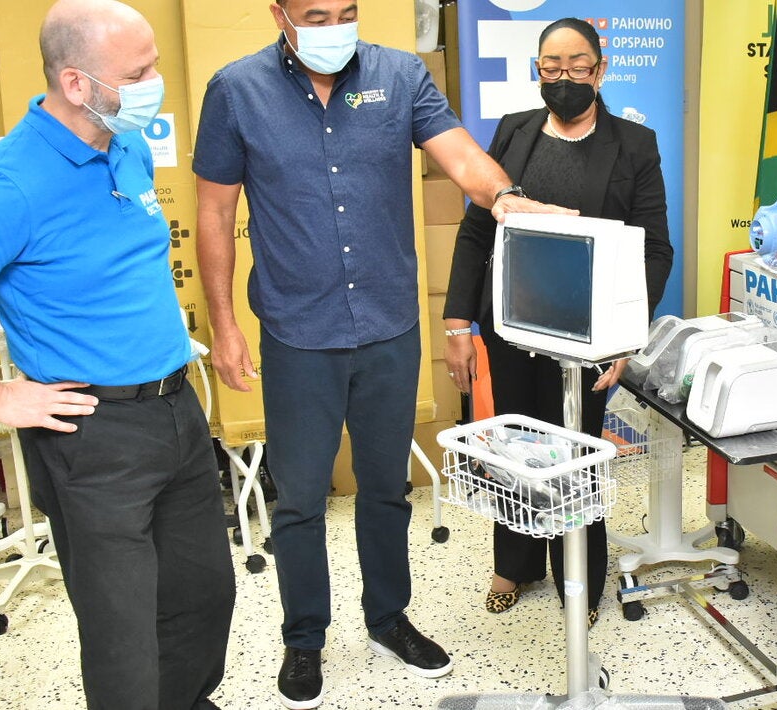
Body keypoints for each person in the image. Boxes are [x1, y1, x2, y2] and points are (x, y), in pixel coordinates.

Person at [191, 1, 570, 708]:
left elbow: (457, 151)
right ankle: (304, 638)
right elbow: (214, 210)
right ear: (280, 14)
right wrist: (224, 325)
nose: (334, 24)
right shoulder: (236, 89)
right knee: (301, 500)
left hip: (389, 325)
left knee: (386, 488)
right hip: (297, 331)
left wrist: (507, 197)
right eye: (315, 13)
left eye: (347, 11)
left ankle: (388, 618)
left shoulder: (399, 75)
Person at [0, 1, 236, 708]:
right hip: (94, 433)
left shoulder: (126, 142)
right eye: (139, 72)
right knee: (122, 631)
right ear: (77, 82)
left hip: (175, 411)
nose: (156, 85)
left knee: (204, 595)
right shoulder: (14, 182)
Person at [442, 17, 674, 626]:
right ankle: (513, 565)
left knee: (576, 453)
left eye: (577, 66)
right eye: (552, 67)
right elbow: (475, 229)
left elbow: (656, 248)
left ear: (600, 70)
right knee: (513, 448)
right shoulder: (514, 133)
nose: (564, 77)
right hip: (511, 325)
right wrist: (457, 324)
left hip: (589, 336)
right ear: (536, 71)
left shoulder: (633, 146)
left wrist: (628, 336)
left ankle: (581, 575)